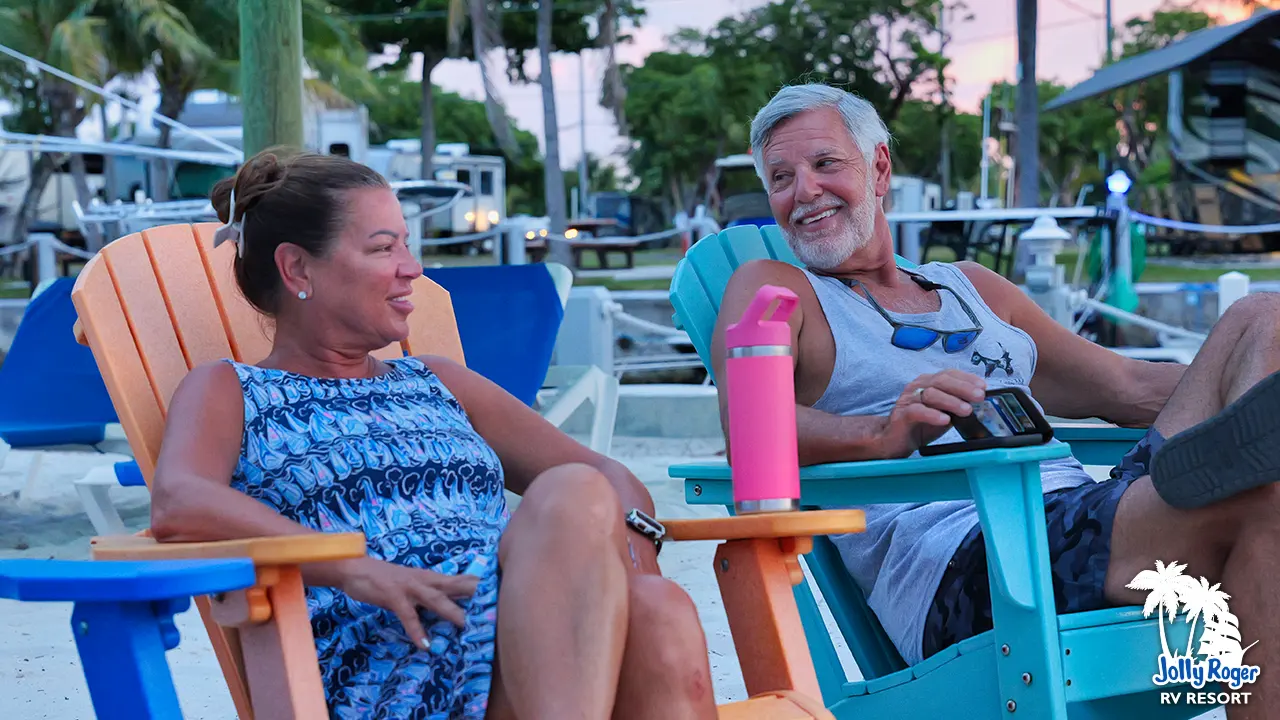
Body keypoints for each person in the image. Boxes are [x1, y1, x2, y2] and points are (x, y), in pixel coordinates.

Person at [712, 83, 1280, 717]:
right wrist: (883, 433)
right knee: (1266, 504)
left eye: (825, 164)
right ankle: (1235, 477)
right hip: (977, 565)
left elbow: (1128, 388)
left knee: (1262, 317)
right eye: (781, 178)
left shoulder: (972, 287)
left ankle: (1236, 463)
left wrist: (1234, 377)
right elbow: (749, 431)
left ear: (878, 168)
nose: (804, 191)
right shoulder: (773, 290)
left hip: (1084, 512)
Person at [149, 149, 717, 720]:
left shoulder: (436, 380)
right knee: (574, 491)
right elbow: (179, 502)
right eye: (383, 248)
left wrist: (631, 574)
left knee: (657, 605)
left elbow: (609, 473)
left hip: (522, 626)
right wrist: (351, 567)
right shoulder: (233, 390)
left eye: (406, 244)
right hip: (392, 656)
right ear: (297, 268)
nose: (412, 267)